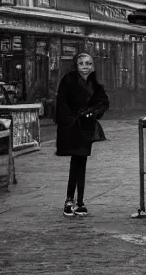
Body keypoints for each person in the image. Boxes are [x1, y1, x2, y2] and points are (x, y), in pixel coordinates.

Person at [55, 52, 110, 217]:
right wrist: (72, 119)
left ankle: (78, 201)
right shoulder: (68, 81)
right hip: (72, 127)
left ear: (92, 66)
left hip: (86, 127)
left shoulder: (95, 83)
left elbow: (104, 102)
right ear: (76, 65)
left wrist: (93, 112)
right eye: (81, 64)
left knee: (81, 162)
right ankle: (71, 200)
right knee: (76, 162)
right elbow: (61, 105)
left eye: (88, 64)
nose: (85, 67)